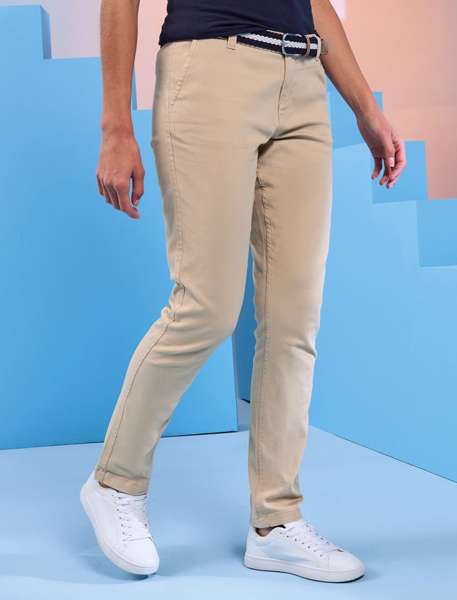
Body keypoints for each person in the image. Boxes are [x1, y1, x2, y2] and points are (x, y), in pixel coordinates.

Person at [80, 0, 406, 583]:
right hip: (210, 72)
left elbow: (313, 3)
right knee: (205, 306)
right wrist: (115, 125)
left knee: (293, 320)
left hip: (303, 81)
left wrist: (365, 107)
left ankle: (275, 522)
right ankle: (115, 482)